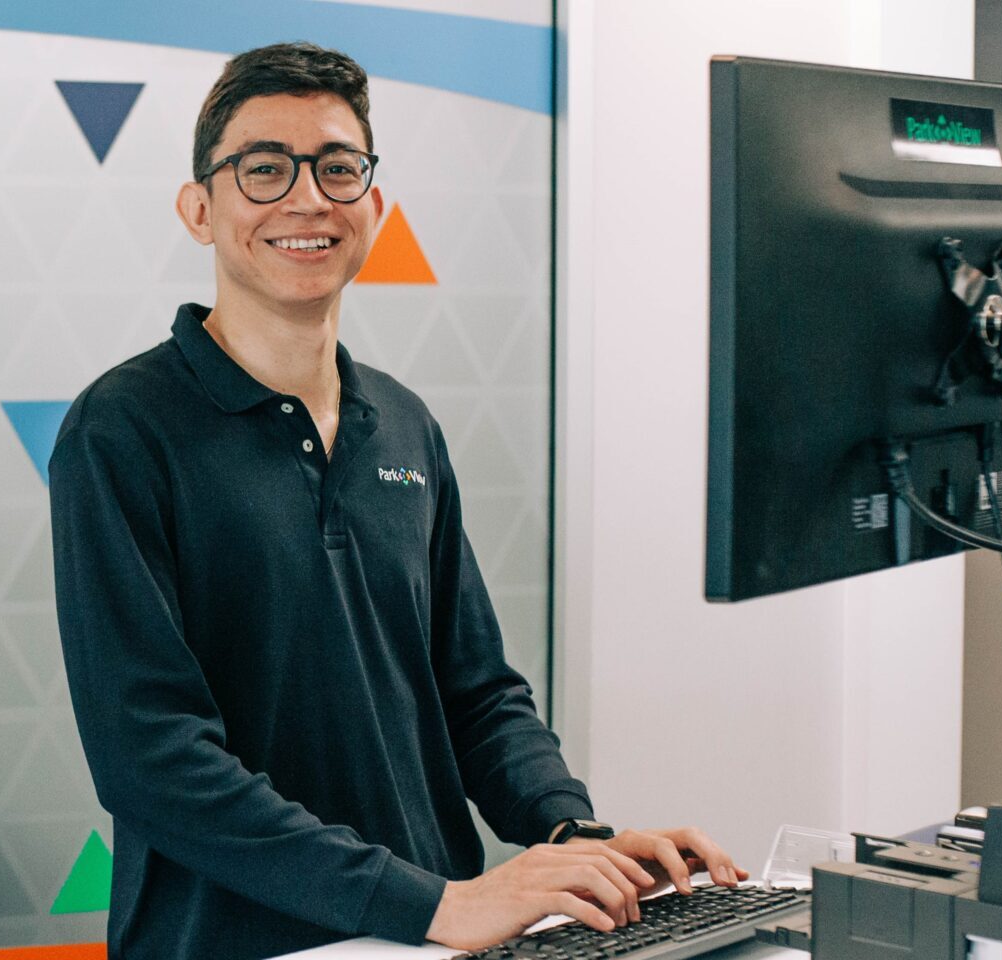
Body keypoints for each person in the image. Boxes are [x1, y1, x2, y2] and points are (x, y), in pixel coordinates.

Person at [48, 41, 746, 960]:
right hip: (241, 940)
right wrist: (428, 902)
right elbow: (152, 760)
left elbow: (477, 692)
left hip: (428, 940)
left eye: (339, 170)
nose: (307, 198)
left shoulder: (405, 425)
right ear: (199, 210)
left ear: (372, 208)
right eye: (264, 170)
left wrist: (572, 836)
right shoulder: (122, 430)